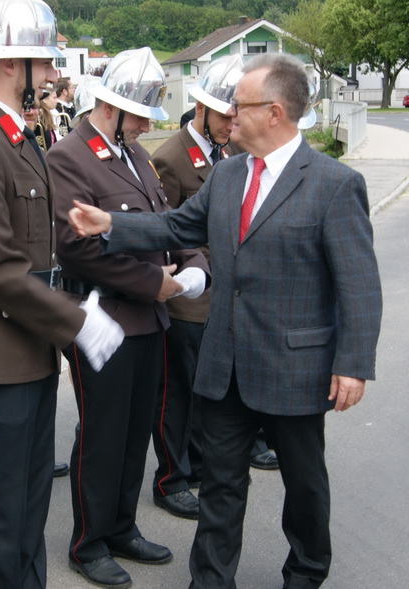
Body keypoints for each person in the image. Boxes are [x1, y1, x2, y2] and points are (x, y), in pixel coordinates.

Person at [67, 53, 382, 589]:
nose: (229, 113)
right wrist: (110, 224)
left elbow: (359, 284)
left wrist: (352, 364)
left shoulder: (334, 183)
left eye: (240, 105)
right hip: (225, 365)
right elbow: (177, 225)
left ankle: (305, 574)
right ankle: (210, 580)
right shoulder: (229, 174)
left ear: (275, 112)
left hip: (293, 370)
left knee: (304, 485)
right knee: (220, 484)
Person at [0, 0, 123, 586]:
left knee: (32, 499)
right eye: (45, 62)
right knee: (2, 508)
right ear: (14, 62)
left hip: (29, 343)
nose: (54, 73)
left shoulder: (14, 135)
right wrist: (76, 320)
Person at [46, 47, 210, 589]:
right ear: (110, 107)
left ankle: (121, 527)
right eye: (137, 115)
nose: (144, 126)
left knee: (137, 432)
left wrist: (193, 267)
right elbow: (77, 249)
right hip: (105, 319)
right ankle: (89, 542)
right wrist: (151, 283)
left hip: (150, 319)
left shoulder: (135, 154)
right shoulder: (69, 157)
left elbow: (169, 223)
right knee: (102, 435)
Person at [149, 54, 244, 520]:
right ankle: (171, 479)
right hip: (187, 300)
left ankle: (200, 466)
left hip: (218, 299)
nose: (232, 124)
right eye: (225, 115)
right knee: (177, 396)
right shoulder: (170, 158)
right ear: (201, 109)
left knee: (208, 391)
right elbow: (164, 233)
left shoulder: (225, 155)